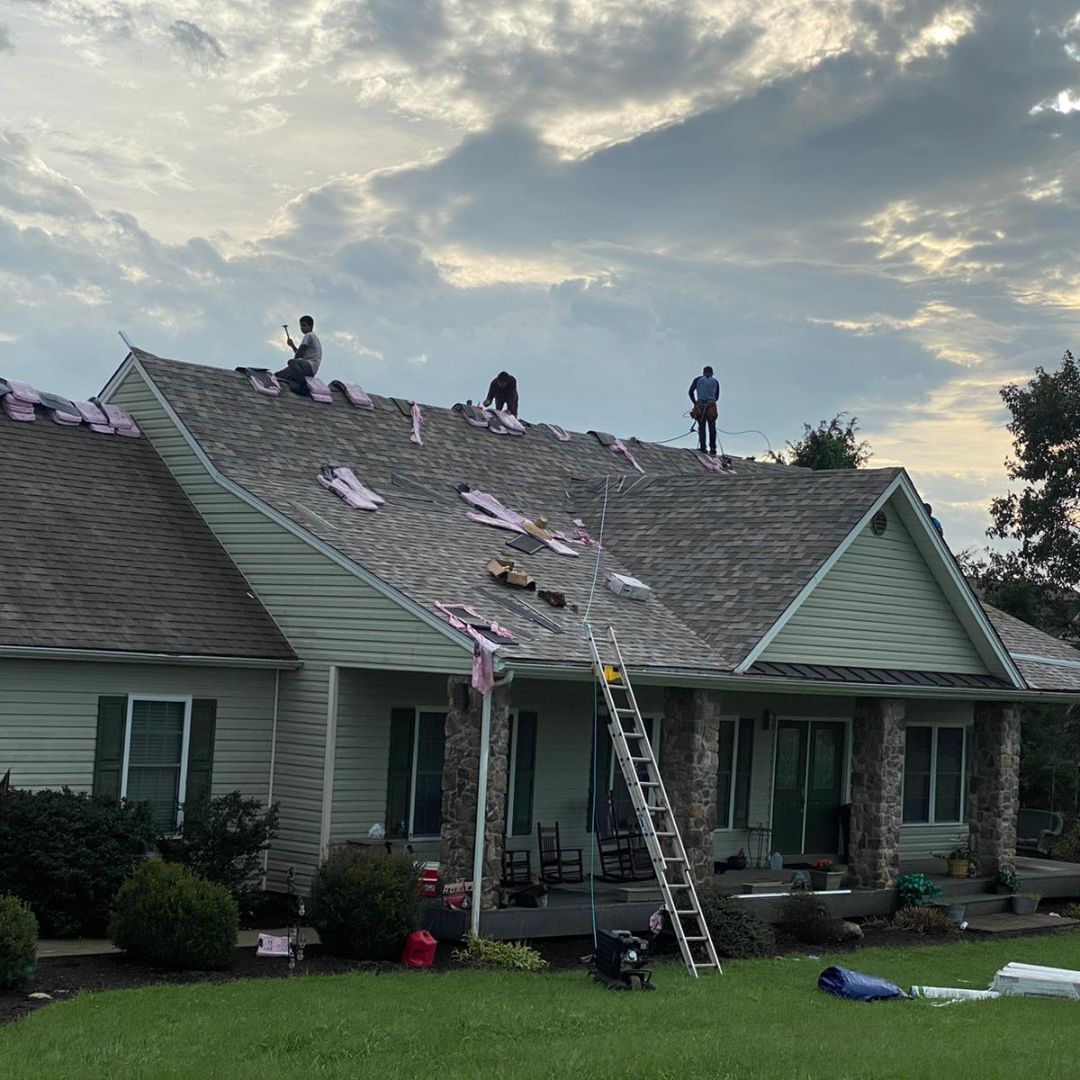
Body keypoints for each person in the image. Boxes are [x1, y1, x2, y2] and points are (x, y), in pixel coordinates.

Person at [275, 315, 322, 389]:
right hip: (306, 367)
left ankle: (302, 384)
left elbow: (298, 354)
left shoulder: (309, 335)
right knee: (278, 375)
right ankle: (292, 379)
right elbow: (300, 354)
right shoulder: (313, 337)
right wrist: (292, 345)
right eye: (301, 326)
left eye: (304, 325)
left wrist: (292, 365)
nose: (302, 328)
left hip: (310, 366)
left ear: (311, 326)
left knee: (291, 362)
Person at [688, 365, 721, 455]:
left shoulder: (698, 379)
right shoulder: (715, 382)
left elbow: (690, 392)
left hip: (701, 405)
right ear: (711, 373)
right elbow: (717, 396)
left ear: (703, 372)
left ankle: (703, 448)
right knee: (712, 427)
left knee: (702, 426)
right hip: (711, 405)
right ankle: (713, 449)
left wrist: (695, 403)